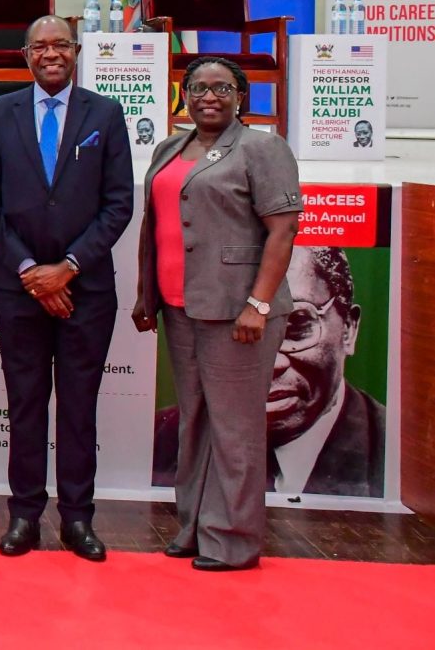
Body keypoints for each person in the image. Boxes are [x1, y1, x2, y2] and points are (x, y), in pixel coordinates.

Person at [0, 15, 132, 562]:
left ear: (77, 50)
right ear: (26, 55)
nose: (50, 53)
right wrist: (30, 272)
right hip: (18, 289)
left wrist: (66, 267)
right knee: (26, 405)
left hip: (86, 289)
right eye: (39, 45)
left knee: (79, 407)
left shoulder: (105, 115)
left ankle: (78, 519)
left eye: (60, 43)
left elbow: (118, 206)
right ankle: (24, 515)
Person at [133, 56, 302, 571]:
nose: (209, 96)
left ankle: (232, 540)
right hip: (180, 307)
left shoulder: (263, 148)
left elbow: (283, 230)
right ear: (184, 94)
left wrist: (259, 302)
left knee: (235, 427)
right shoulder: (170, 147)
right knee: (196, 421)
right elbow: (155, 226)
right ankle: (195, 527)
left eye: (222, 88)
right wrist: (147, 295)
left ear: (240, 97)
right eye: (199, 88)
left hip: (237, 312)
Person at [151, 245, 386, 498]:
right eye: (233, 323)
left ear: (349, 329)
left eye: (296, 326)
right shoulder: (159, 440)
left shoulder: (392, 450)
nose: (271, 364)